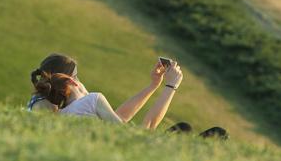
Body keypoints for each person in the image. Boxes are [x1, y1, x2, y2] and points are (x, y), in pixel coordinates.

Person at [29, 54, 182, 130]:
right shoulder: (91, 100)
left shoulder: (62, 112)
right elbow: (145, 131)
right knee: (184, 129)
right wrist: (171, 86)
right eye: (77, 77)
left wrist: (153, 85)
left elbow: (119, 118)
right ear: (70, 81)